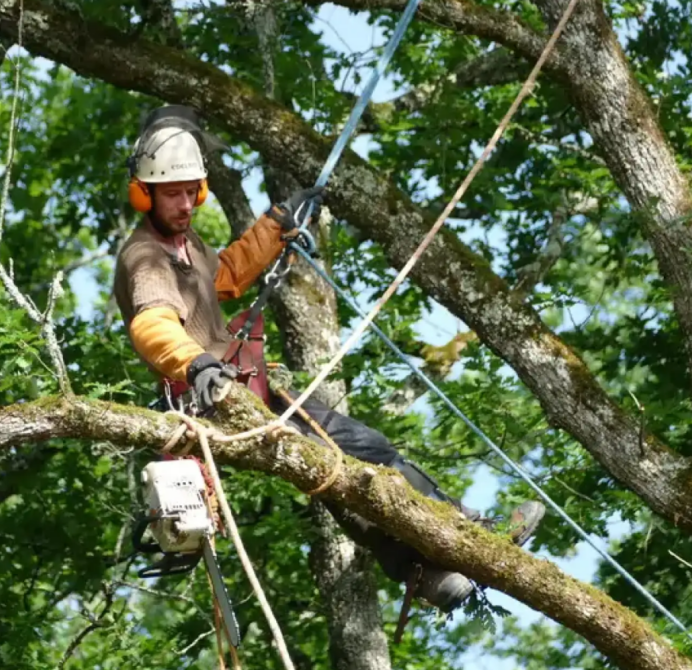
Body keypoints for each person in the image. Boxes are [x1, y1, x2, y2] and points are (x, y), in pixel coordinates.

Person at [112, 105, 545, 613]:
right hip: (213, 401)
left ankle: (436, 562)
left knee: (366, 453)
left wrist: (275, 226)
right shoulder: (145, 256)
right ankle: (449, 553)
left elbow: (225, 275)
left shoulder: (188, 246)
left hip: (251, 391)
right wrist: (195, 363)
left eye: (191, 191)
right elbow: (152, 323)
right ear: (145, 193)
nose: (185, 204)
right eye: (172, 194)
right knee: (338, 470)